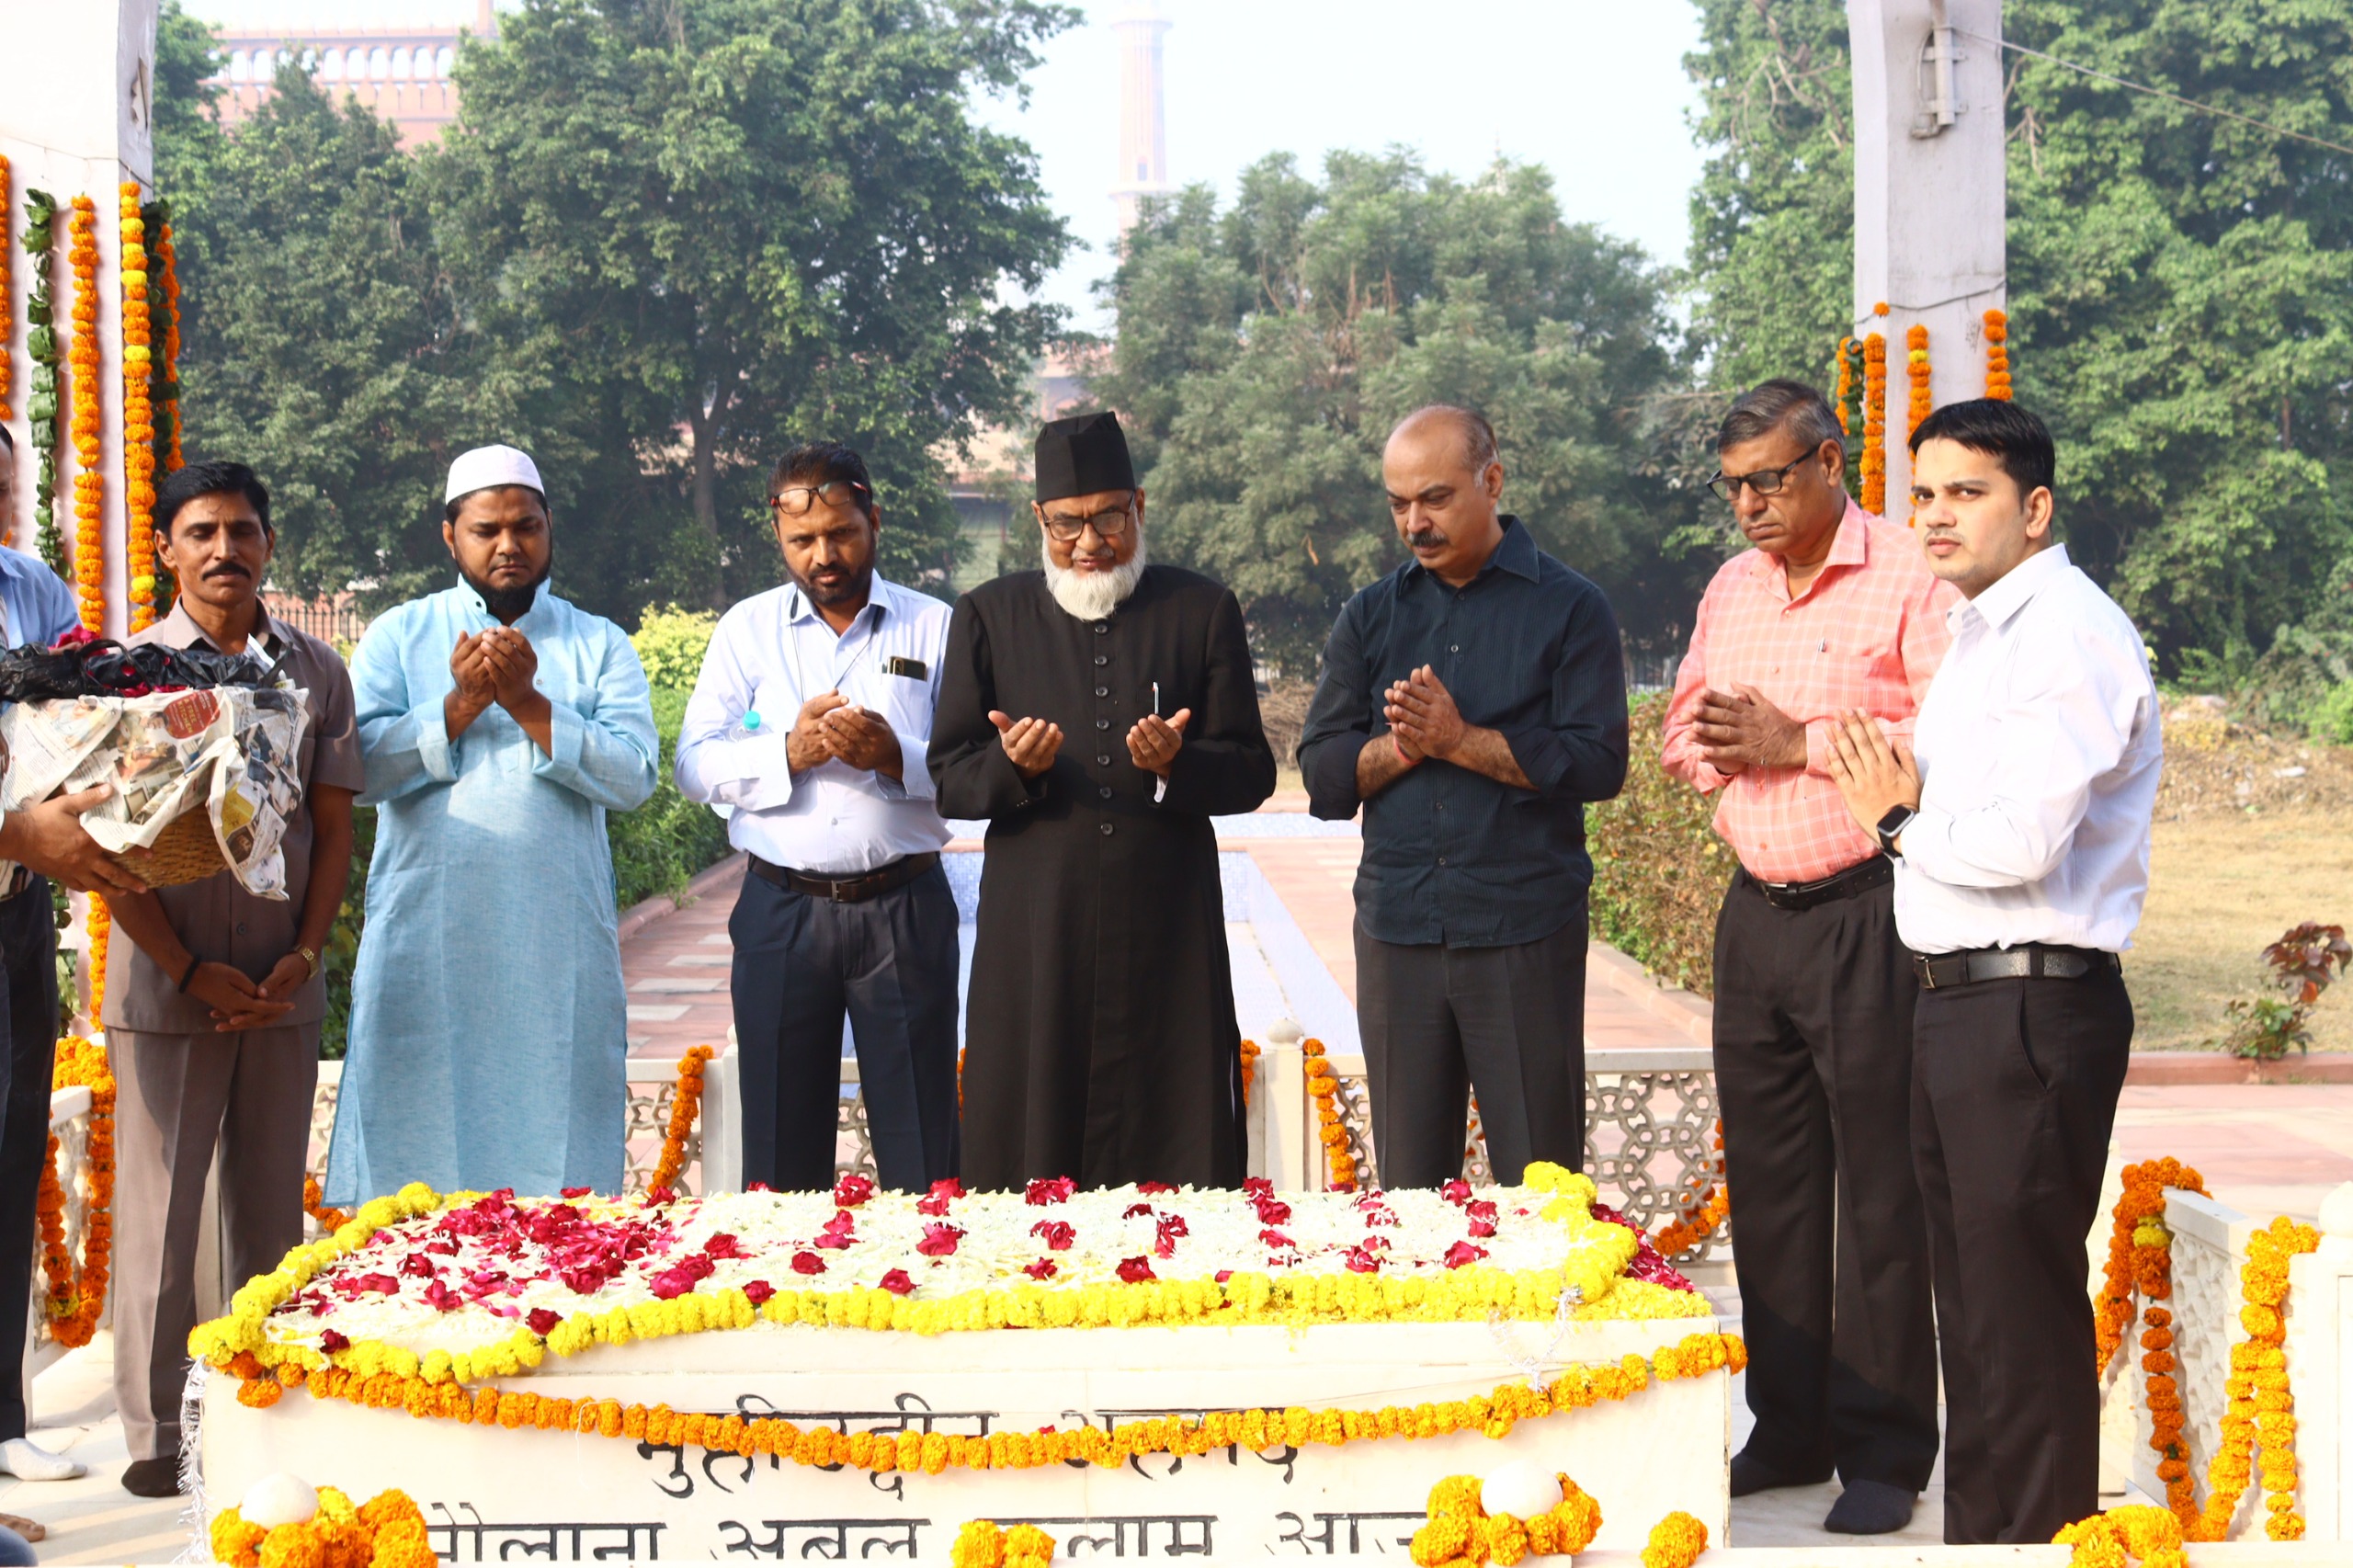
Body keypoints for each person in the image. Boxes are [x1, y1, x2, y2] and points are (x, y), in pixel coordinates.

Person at [1825, 399, 2161, 1546]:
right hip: (1961, 1002)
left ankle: (2035, 1538)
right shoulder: (1982, 632)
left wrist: (1898, 822)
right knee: (1971, 1317)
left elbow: (2021, 843)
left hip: (2030, 1001)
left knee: (2014, 1318)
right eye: (1920, 493)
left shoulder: (2064, 631)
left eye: (1964, 492)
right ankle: (1989, 1539)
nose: (1932, 516)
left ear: (2035, 507)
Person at [1659, 381, 1949, 1535]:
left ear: (1832, 461)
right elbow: (1683, 722)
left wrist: (1794, 739)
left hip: (1867, 908)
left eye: (1769, 478)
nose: (1748, 503)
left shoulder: (1907, 575)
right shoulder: (1732, 585)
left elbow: (1944, 736)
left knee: (1879, 1188)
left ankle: (1883, 1447)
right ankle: (1786, 1425)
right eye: (1733, 484)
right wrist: (1723, 753)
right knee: (1773, 1188)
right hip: (1757, 916)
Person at [97, 460, 363, 1498]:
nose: (224, 550)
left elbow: (332, 826)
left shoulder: (315, 669)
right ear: (165, 547)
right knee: (161, 1219)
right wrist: (184, 964)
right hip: (168, 979)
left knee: (267, 1213)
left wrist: (302, 951)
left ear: (268, 543)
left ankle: (264, 1411)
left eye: (242, 530)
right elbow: (104, 845)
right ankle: (155, 1434)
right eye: (200, 531)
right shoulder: (125, 672)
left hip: (279, 978)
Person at [930, 412, 1274, 1189]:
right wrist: (1011, 767)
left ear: (1139, 508)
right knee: (1029, 1129)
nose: (1090, 543)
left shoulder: (1201, 610)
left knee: (1175, 1128)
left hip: (1168, 931)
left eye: (1108, 518)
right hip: (1037, 932)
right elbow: (950, 774)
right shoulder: (989, 615)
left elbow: (1252, 770)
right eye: (1068, 524)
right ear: (1039, 522)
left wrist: (1177, 766)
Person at [1297, 406, 1628, 1187]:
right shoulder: (1371, 613)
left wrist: (1460, 740)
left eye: (1436, 498)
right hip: (1398, 931)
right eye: (1398, 503)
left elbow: (1597, 765)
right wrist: (1406, 745)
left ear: (1493, 480)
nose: (1415, 522)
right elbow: (1320, 770)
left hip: (1523, 931)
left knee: (1540, 1191)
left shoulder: (1572, 608)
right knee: (1409, 1195)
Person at [326, 445, 657, 1205]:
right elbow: (357, 773)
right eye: (486, 529)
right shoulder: (398, 637)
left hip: (554, 942)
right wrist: (459, 706)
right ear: (451, 537)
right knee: (417, 1142)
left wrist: (533, 707)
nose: (508, 545)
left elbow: (636, 775)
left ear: (549, 531)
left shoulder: (598, 641)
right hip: (428, 936)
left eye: (526, 526)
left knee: (557, 1139)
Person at [676, 443, 957, 1192]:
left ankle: (927, 1293)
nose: (824, 556)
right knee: (776, 1152)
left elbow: (975, 768)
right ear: (778, 537)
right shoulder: (746, 629)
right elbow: (693, 762)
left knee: (924, 1149)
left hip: (904, 906)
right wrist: (787, 753)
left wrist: (893, 755)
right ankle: (787, 1297)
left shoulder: (935, 627)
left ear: (875, 520)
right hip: (781, 911)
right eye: (803, 541)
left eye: (842, 534)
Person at [0, 423, 142, 1530]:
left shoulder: (29, 583)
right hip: (15, 856)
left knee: (11, 1149)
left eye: (3, 482)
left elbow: (81, 701)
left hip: (17, 906)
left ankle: (4, 1419)